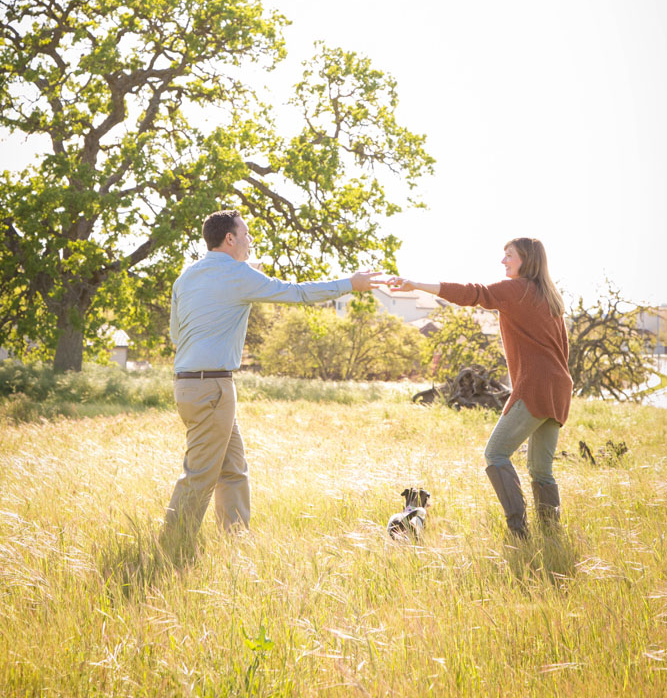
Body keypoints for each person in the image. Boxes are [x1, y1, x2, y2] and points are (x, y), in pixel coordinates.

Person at [163, 208, 380, 550]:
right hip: (213, 388)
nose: (250, 242)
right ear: (230, 238)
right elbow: (298, 293)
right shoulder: (239, 275)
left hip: (189, 384)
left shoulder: (186, 278)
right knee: (200, 474)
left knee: (233, 468)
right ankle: (172, 546)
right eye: (246, 235)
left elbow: (177, 333)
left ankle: (236, 544)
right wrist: (350, 284)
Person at [388, 237, 572, 537]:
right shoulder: (550, 297)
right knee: (540, 469)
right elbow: (563, 350)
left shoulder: (516, 289)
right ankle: (551, 535)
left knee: (496, 454)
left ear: (526, 259)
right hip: (560, 388)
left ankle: (519, 531)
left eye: (509, 256)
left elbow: (472, 294)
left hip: (536, 387)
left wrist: (417, 284)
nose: (503, 262)